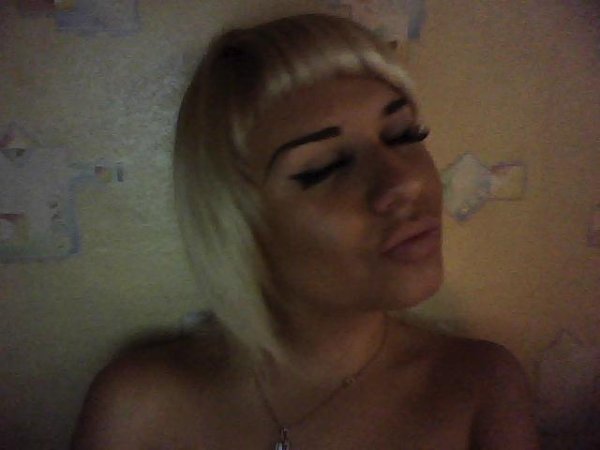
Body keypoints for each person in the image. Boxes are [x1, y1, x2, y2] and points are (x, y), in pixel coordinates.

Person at [72, 13, 540, 449]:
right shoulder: (137, 407)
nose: (404, 183)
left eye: (403, 135)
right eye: (324, 167)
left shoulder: (482, 387)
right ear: (241, 223)